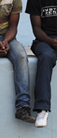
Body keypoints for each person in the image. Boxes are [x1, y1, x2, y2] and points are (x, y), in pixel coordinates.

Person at [26, 0, 57, 128]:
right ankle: (42, 110)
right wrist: (50, 41)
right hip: (44, 40)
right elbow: (36, 28)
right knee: (46, 56)